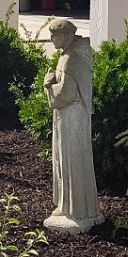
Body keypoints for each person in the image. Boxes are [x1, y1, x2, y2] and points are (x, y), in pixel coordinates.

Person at [42, 16, 100, 235]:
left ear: (65, 36)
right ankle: (78, 209)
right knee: (75, 158)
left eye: (54, 35)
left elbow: (64, 95)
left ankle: (74, 212)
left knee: (70, 159)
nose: (51, 39)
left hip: (70, 116)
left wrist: (48, 85)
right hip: (78, 116)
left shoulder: (69, 59)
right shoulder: (80, 54)